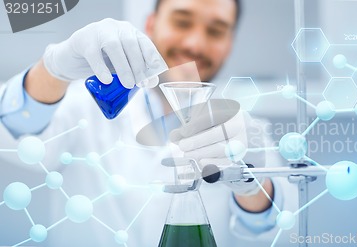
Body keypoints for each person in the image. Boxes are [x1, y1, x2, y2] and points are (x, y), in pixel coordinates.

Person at [0, 0, 296, 246]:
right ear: (152, 25)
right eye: (182, 22)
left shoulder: (244, 130)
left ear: (229, 43)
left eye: (216, 31)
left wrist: (251, 184)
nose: (195, 43)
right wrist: (53, 70)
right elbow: (15, 133)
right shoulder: (83, 107)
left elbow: (280, 229)